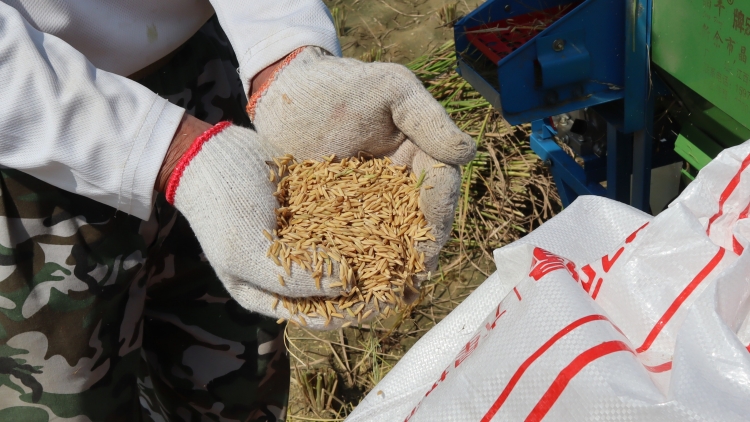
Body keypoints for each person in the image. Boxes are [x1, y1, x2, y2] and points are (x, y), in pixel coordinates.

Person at [0, 1, 476, 420]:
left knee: (238, 379)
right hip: (28, 139)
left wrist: (281, 49)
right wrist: (167, 151)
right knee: (71, 402)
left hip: (209, 73)